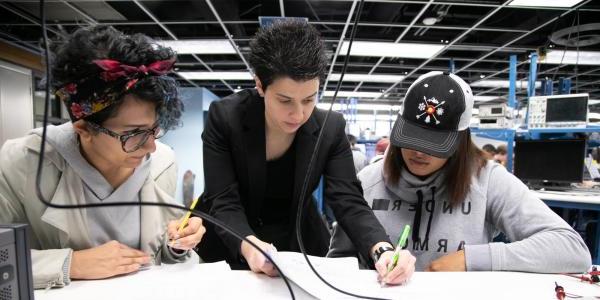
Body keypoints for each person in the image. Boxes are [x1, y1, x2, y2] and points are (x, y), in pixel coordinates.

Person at [197, 20, 414, 285]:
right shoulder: (225, 119)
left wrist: (381, 249)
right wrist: (248, 244)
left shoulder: (330, 128)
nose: (298, 114)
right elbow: (222, 199)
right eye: (285, 100)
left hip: (297, 242)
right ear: (260, 86)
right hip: (232, 239)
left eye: (310, 99)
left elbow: (348, 201)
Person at [0, 26, 205, 289]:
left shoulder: (163, 162)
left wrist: (177, 245)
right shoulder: (22, 162)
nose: (151, 147)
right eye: (134, 133)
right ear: (83, 129)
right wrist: (70, 264)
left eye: (154, 129)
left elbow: (156, 253)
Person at [328, 71, 591, 273]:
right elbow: (337, 263)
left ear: (459, 142)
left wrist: (470, 259)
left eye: (434, 145)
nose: (419, 152)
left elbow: (571, 248)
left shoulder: (487, 180)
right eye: (411, 138)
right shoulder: (368, 181)